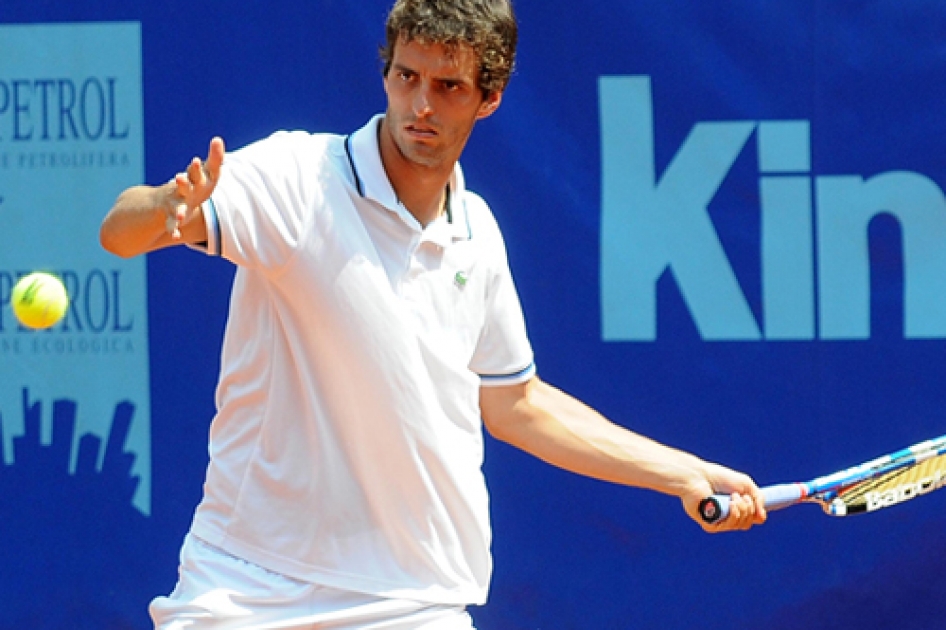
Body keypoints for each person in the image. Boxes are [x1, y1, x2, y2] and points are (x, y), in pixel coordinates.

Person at [100, 0, 766, 627]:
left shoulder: (477, 231)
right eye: (406, 77)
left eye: (448, 87)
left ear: (490, 98)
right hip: (246, 589)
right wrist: (165, 209)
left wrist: (682, 472)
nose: (420, 105)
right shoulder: (296, 179)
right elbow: (118, 233)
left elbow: (518, 404)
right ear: (386, 73)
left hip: (415, 601)